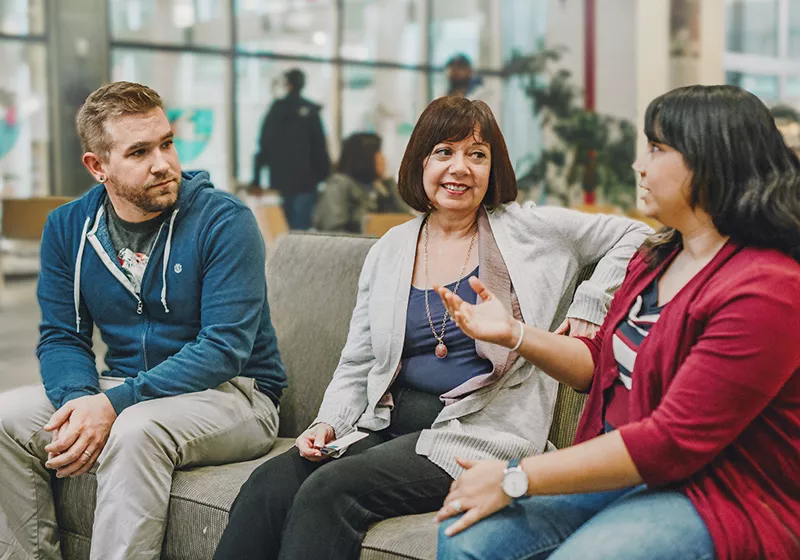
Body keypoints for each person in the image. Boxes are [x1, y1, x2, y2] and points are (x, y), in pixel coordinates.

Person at [214, 96, 652, 560]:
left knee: (331, 491)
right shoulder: (392, 248)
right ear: (421, 162)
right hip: (386, 426)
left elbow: (639, 235)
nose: (459, 168)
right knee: (271, 483)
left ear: (493, 167)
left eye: (476, 155)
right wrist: (328, 423)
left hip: (474, 434)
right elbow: (358, 358)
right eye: (444, 152)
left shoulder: (532, 230)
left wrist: (591, 300)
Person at [434, 85, 800, 560]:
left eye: (656, 148)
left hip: (716, 492)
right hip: (623, 471)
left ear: (712, 161)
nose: (639, 165)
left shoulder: (768, 289)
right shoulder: (657, 257)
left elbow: (670, 441)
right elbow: (599, 363)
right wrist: (514, 334)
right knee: (465, 532)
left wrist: (515, 475)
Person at [0, 81, 287, 560]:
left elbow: (225, 348)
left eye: (167, 143)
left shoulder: (224, 220)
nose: (163, 163)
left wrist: (113, 405)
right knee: (5, 418)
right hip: (125, 385)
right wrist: (80, 401)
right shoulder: (69, 227)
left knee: (135, 430)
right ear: (98, 166)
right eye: (139, 151)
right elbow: (62, 337)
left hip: (236, 393)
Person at [252, 68, 331, 230]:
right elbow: (320, 147)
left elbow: (264, 144)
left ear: (287, 84)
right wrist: (323, 175)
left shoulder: (276, 110)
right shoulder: (310, 111)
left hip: (281, 180)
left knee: (283, 229)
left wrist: (257, 179)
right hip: (307, 181)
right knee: (301, 230)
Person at [313, 132, 410, 233]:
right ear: (364, 157)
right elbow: (332, 230)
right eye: (378, 153)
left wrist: (390, 186)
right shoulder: (339, 185)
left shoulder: (381, 187)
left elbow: (406, 220)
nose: (383, 158)